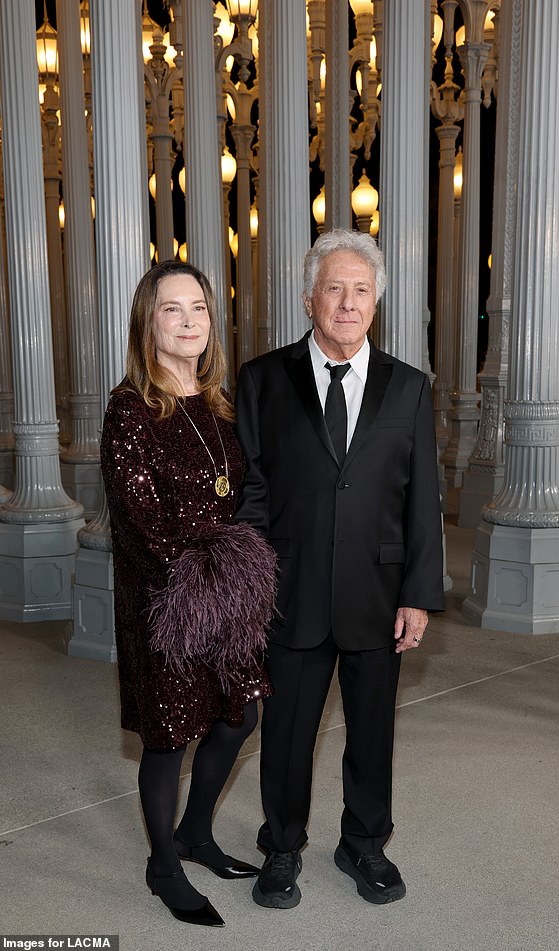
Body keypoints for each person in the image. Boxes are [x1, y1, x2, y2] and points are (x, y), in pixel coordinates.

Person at [235, 228, 444, 910]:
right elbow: (252, 491)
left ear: (375, 302)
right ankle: (281, 845)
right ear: (309, 299)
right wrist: (255, 586)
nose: (348, 303)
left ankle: (364, 843)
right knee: (287, 734)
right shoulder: (263, 379)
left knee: (373, 733)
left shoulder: (409, 387)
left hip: (378, 594)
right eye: (334, 289)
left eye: (361, 290)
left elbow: (423, 499)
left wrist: (417, 594)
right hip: (289, 592)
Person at [100, 260, 274, 929]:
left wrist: (236, 576)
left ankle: (196, 832)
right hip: (165, 597)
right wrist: (203, 582)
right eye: (171, 308)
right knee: (170, 733)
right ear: (148, 323)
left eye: (198, 307)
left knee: (239, 717)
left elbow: (240, 493)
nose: (188, 320)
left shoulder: (221, 402)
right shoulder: (129, 409)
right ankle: (163, 866)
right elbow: (138, 521)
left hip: (226, 590)